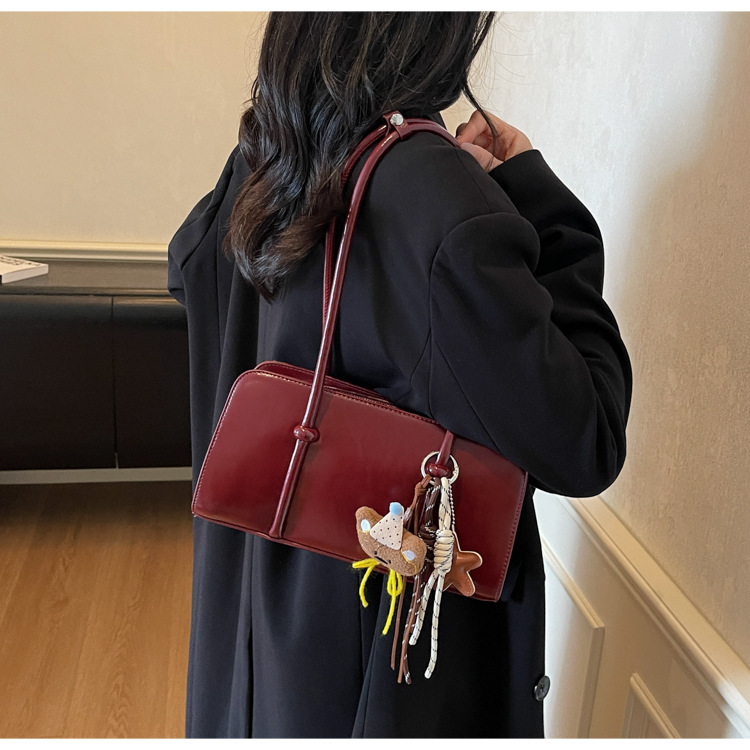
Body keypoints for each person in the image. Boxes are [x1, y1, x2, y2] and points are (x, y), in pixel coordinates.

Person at [167, 12, 632, 739]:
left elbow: (188, 264)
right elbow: (586, 439)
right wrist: (537, 200)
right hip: (376, 670)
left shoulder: (270, 145)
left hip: (251, 636)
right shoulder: (430, 194)